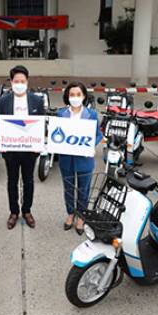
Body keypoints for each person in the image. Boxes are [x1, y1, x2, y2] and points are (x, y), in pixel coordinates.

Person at [0, 65, 45, 230]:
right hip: (10, 150)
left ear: (27, 82)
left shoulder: (37, 101)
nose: (19, 84)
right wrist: (2, 142)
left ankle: (27, 211)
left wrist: (39, 143)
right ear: (11, 82)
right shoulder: (3, 101)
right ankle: (14, 212)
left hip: (30, 149)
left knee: (29, 181)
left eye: (22, 81)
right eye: (16, 81)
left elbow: (41, 124)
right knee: (12, 181)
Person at [57, 81, 103, 235]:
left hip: (84, 158)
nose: (75, 97)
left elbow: (98, 135)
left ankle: (81, 217)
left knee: (84, 189)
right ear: (67, 96)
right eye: (72, 94)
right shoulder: (61, 114)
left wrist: (91, 145)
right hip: (66, 158)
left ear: (84, 96)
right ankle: (70, 213)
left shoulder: (92, 114)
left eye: (78, 94)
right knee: (68, 188)